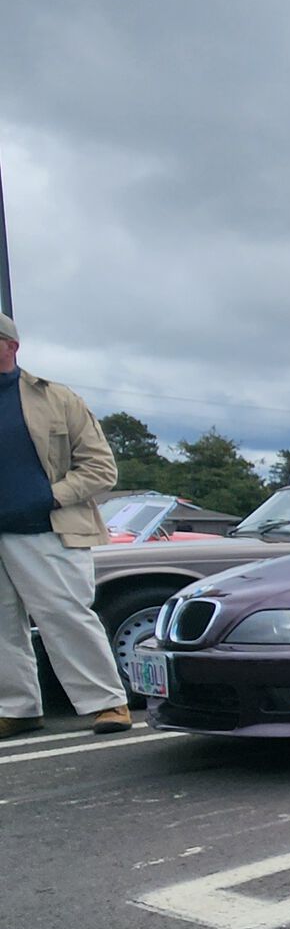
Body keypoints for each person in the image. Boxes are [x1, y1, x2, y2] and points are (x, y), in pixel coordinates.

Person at [0, 311, 133, 736]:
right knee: (1, 626)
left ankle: (108, 703)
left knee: (66, 616)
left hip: (48, 529)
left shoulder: (57, 399)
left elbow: (100, 469)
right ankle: (17, 709)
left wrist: (49, 497)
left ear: (11, 346)